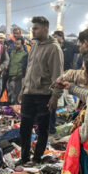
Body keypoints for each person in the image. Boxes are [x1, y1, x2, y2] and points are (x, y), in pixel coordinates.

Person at [17, 16, 63, 165]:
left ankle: (36, 159)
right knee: (24, 128)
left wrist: (55, 96)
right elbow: (29, 69)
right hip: (29, 93)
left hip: (44, 95)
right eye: (32, 28)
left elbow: (57, 75)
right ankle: (24, 158)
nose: (33, 31)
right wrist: (23, 89)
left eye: (36, 28)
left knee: (42, 130)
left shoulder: (54, 48)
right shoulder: (35, 45)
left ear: (45, 29)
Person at [5, 37, 28, 105]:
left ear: (22, 45)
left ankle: (16, 111)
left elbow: (23, 67)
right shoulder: (12, 52)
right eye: (15, 43)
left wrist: (18, 76)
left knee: (16, 95)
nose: (16, 45)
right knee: (10, 94)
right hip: (10, 76)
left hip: (18, 78)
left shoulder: (24, 54)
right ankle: (11, 111)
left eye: (18, 44)